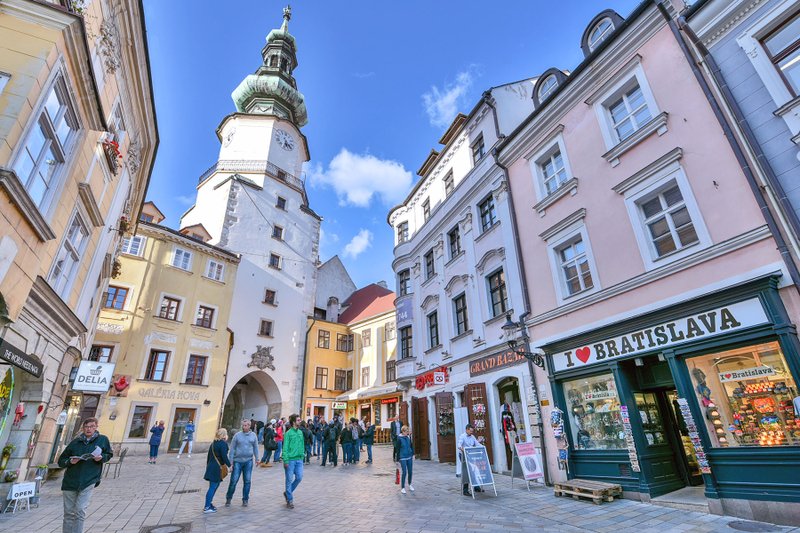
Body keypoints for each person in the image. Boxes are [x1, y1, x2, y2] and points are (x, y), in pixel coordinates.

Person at [57, 417, 113, 533]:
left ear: (96, 427)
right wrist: (69, 462)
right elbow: (61, 460)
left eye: (92, 426)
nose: (89, 429)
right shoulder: (75, 442)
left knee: (80, 510)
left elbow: (108, 454)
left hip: (89, 480)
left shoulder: (103, 440)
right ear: (83, 428)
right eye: (86, 427)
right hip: (70, 481)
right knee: (68, 513)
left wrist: (101, 458)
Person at [225, 419, 260, 507]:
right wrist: (231, 462)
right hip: (237, 461)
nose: (243, 427)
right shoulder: (237, 435)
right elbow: (232, 449)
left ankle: (245, 499)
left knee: (247, 481)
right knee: (233, 481)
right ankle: (229, 498)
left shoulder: (253, 436)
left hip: (248, 461)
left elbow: (256, 448)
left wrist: (257, 459)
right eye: (243, 425)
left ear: (249, 426)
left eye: (245, 425)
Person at [203, 428, 231, 513]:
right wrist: (230, 465)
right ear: (224, 435)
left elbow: (208, 456)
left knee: (214, 486)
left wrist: (208, 466)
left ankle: (209, 503)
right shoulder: (223, 444)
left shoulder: (213, 443)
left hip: (211, 466)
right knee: (213, 487)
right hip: (216, 468)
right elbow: (224, 456)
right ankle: (207, 507)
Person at [282, 414, 305, 509]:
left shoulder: (300, 432)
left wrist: (302, 455)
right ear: (294, 422)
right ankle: (290, 500)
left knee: (299, 477)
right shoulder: (288, 433)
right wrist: (285, 460)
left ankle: (287, 492)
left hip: (299, 459)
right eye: (298, 420)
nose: (300, 421)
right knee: (289, 479)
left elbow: (302, 444)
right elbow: (285, 447)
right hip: (290, 460)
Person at [457, 423, 483, 496]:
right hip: (463, 455)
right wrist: (463, 450)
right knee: (467, 471)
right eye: (470, 431)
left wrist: (483, 447)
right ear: (467, 430)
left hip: (471, 455)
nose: (472, 432)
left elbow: (477, 444)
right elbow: (459, 445)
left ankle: (476, 487)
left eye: (472, 431)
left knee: (474, 469)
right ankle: (465, 490)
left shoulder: (472, 437)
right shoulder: (462, 436)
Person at [393, 425, 414, 494]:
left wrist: (412, 454)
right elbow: (397, 450)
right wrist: (397, 460)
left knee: (410, 471)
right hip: (402, 457)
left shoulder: (408, 437)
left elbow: (411, 446)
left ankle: (410, 484)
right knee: (404, 472)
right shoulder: (399, 439)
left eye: (408, 432)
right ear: (403, 431)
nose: (407, 433)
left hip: (409, 456)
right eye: (406, 432)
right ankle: (403, 487)